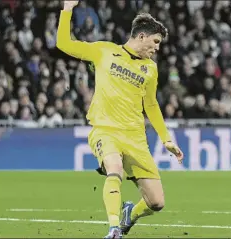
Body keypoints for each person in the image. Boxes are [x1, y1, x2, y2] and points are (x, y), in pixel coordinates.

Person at [57, 1, 184, 238]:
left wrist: (166, 139)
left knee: (156, 202)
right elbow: (63, 44)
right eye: (155, 42)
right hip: (106, 130)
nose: (157, 48)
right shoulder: (104, 50)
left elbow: (151, 105)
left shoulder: (150, 69)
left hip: (135, 137)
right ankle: (114, 228)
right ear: (142, 36)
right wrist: (67, 10)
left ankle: (130, 215)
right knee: (114, 169)